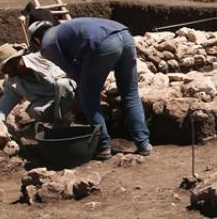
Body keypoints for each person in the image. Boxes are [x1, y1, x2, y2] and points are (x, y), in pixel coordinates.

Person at [29, 17, 150, 159]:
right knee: (130, 93)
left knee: (88, 98)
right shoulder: (63, 29)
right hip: (125, 35)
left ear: (37, 40)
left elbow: (73, 71)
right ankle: (144, 144)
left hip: (103, 42)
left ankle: (103, 146)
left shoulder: (47, 43)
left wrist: (86, 92)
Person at [0, 43, 76, 126]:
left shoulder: (42, 58)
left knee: (62, 84)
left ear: (13, 61)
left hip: (75, 94)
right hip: (54, 103)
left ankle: (63, 125)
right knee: (35, 110)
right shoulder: (13, 82)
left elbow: (69, 76)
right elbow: (1, 111)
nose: (5, 72)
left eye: (5, 68)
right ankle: (61, 124)